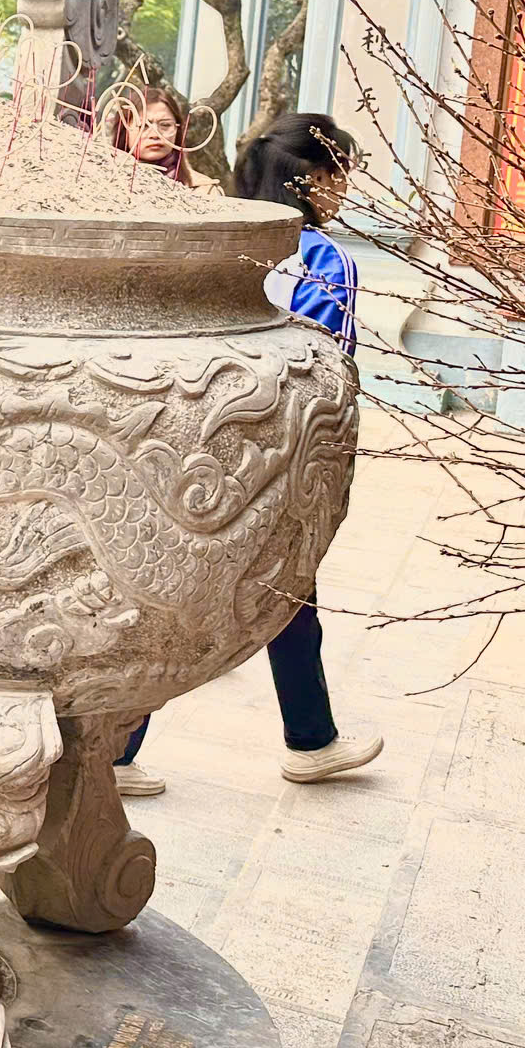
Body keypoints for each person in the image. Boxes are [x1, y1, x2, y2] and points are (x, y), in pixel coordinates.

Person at [114, 110, 382, 797]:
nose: (344, 190)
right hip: (273, 458)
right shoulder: (323, 259)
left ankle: (308, 738)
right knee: (272, 593)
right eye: (339, 175)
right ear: (309, 179)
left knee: (196, 596)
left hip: (187, 444)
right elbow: (324, 366)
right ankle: (118, 753)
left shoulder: (220, 238)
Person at [109, 83, 198, 186]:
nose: (155, 135)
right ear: (124, 130)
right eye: (144, 126)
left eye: (165, 125)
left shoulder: (203, 190)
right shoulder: (103, 182)